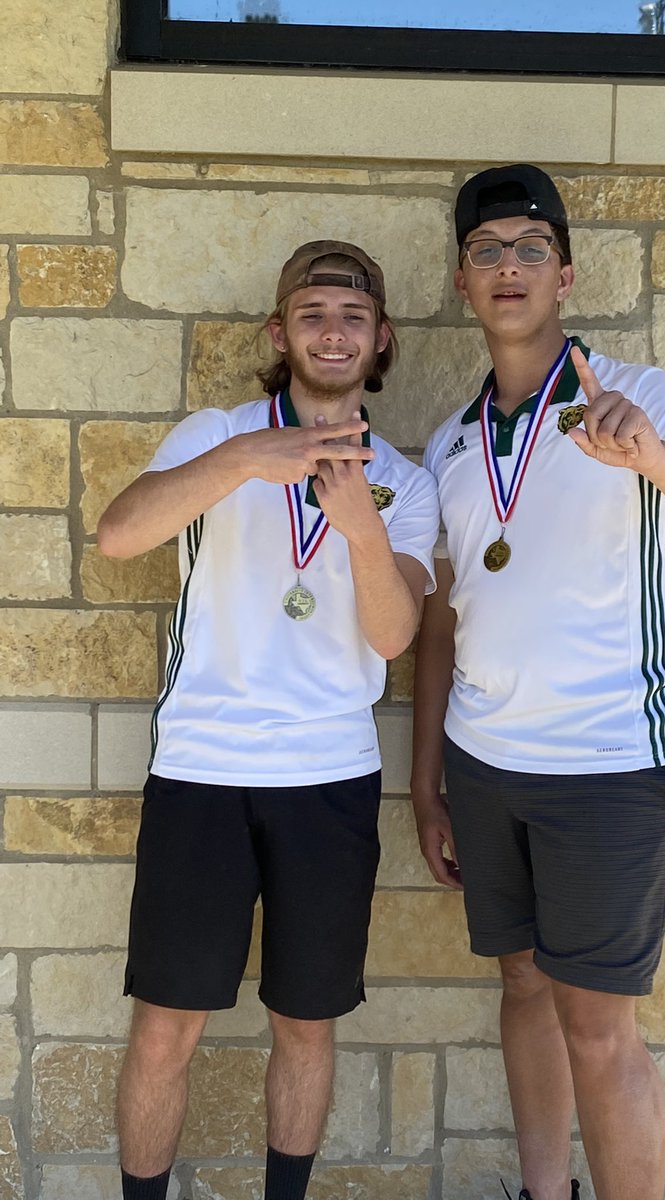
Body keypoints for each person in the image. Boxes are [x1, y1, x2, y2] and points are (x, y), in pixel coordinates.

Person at [411, 166, 665, 1200]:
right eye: (486, 250)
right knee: (522, 982)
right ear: (464, 282)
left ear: (565, 274)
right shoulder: (450, 444)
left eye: (528, 248)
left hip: (609, 764)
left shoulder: (633, 395)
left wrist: (651, 455)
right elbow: (439, 625)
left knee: (600, 1027)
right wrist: (427, 784)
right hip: (485, 765)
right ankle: (542, 1191)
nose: (507, 266)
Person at [98, 240, 439, 1200]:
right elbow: (121, 534)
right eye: (313, 313)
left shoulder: (406, 485)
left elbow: (391, 634)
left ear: (381, 343)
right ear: (279, 332)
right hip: (202, 772)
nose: (333, 332)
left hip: (328, 780)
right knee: (167, 1024)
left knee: (306, 1021)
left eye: (353, 318)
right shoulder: (217, 433)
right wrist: (251, 456)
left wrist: (357, 521)